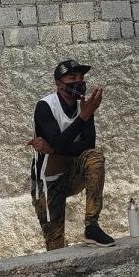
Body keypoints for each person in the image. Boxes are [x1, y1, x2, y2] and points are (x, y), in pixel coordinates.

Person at [28, 59, 115, 250]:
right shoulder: (44, 106)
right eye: (72, 77)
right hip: (46, 182)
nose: (79, 82)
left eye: (81, 78)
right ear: (59, 83)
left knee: (94, 157)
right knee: (55, 243)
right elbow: (60, 142)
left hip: (71, 174)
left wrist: (55, 149)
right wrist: (81, 120)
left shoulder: (84, 107)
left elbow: (88, 145)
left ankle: (92, 226)